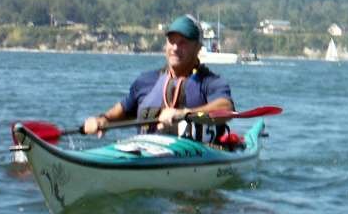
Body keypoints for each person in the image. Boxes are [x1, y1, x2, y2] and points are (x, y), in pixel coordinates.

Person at [83, 14, 234, 136]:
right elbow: (122, 111)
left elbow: (226, 109)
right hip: (148, 153)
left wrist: (184, 113)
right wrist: (102, 120)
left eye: (183, 43)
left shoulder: (211, 82)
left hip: (199, 157)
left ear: (198, 48)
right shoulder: (145, 81)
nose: (175, 48)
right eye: (171, 41)